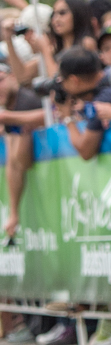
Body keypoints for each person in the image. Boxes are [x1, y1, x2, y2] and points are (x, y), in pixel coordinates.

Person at [0, 65, 43, 238]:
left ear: (12, 77)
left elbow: (24, 162)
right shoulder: (10, 106)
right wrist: (14, 213)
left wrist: (6, 118)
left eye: (0, 80)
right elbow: (14, 163)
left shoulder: (27, 100)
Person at [54, 47, 111, 160]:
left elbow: (86, 151)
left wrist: (67, 117)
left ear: (74, 80)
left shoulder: (103, 99)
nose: (61, 86)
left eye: (62, 80)